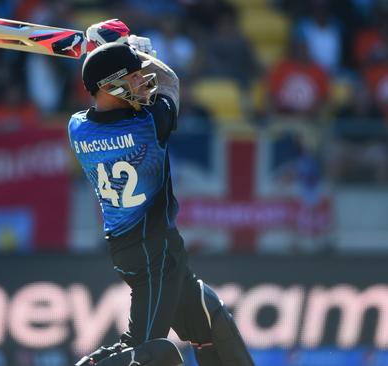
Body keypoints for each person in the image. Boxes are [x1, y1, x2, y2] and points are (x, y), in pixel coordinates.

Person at [67, 20, 255, 366]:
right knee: (154, 353)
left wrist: (114, 56)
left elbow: (106, 90)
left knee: (209, 316)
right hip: (152, 251)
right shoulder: (148, 125)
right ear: (110, 86)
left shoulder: (77, 127)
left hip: (138, 246)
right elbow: (170, 81)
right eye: (134, 76)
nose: (142, 80)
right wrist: (134, 50)